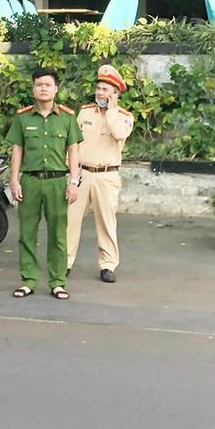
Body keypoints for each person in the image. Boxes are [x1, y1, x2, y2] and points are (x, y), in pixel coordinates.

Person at [7, 68, 82, 300]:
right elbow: (17, 150)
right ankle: (28, 280)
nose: (43, 89)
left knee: (58, 234)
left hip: (57, 183)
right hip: (30, 181)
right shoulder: (23, 117)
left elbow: (73, 152)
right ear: (33, 88)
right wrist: (14, 180)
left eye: (48, 85)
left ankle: (58, 282)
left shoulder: (67, 117)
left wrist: (74, 182)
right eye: (39, 84)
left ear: (56, 89)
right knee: (27, 233)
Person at [66, 65, 134, 283]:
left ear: (115, 94)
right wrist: (72, 172)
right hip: (82, 173)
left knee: (106, 222)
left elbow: (120, 133)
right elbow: (73, 144)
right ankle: (65, 262)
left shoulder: (124, 116)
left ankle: (108, 265)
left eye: (106, 90)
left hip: (107, 175)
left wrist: (111, 111)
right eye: (99, 88)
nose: (100, 93)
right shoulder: (85, 112)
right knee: (70, 220)